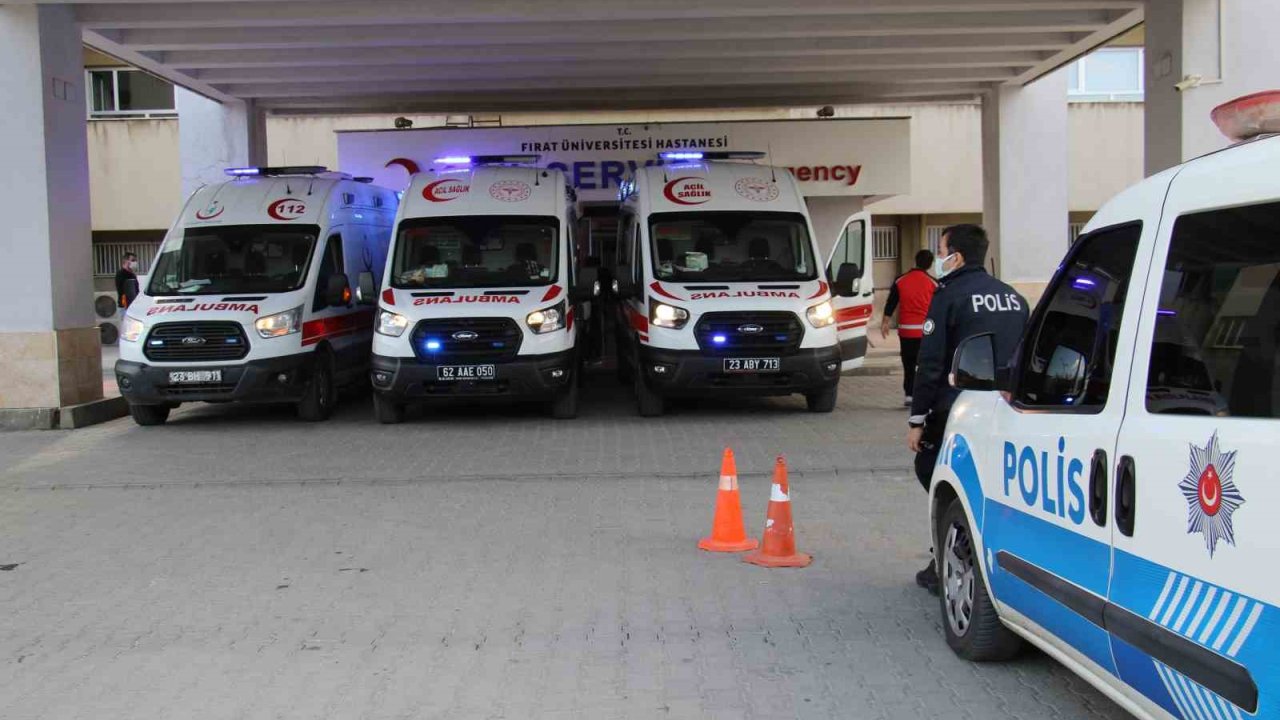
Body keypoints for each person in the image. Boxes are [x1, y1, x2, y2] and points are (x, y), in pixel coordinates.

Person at [906, 224, 1028, 594]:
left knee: (935, 471)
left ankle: (949, 558)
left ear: (955, 257)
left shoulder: (949, 296)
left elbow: (930, 363)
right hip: (1008, 409)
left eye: (942, 251)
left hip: (959, 410)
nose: (940, 258)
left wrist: (917, 420)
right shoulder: (1013, 297)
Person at [881, 249, 938, 406]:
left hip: (906, 330)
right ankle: (924, 394)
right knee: (924, 364)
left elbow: (891, 302)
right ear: (930, 264)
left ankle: (909, 395)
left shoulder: (900, 280)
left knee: (908, 363)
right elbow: (938, 307)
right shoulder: (933, 283)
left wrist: (885, 322)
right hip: (925, 331)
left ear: (916, 261)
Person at [115, 253, 140, 320]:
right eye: (133, 260)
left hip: (133, 306)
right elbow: (122, 291)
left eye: (135, 260)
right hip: (125, 307)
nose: (135, 262)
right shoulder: (121, 274)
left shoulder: (132, 275)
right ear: (126, 261)